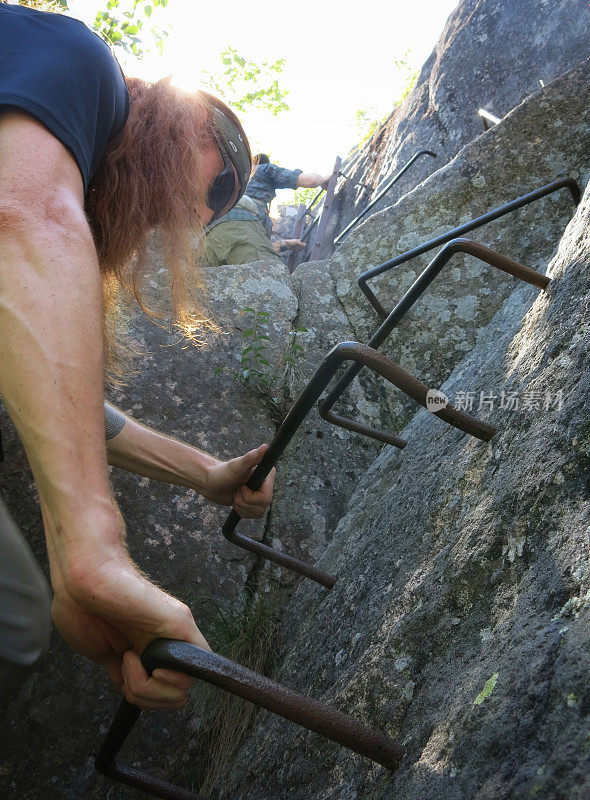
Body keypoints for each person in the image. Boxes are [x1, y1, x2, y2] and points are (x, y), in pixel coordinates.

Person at [0, 2, 274, 709]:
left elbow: (61, 399)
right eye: (219, 182)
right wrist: (92, 545)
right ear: (181, 119)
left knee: (17, 621)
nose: (197, 216)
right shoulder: (79, 61)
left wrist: (205, 473)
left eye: (220, 210)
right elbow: (21, 215)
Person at [204, 153, 331, 266]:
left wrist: (285, 244)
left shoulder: (231, 178)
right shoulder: (263, 169)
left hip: (208, 234)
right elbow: (310, 180)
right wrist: (323, 180)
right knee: (267, 277)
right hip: (242, 223)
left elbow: (260, 245)